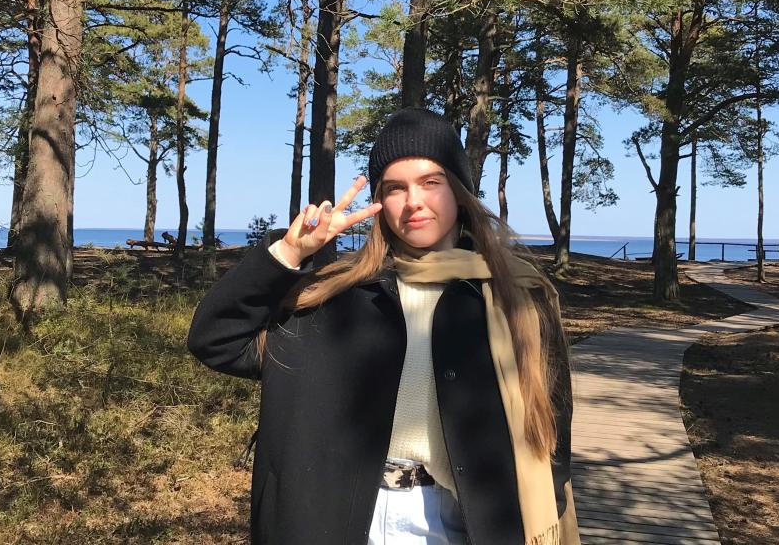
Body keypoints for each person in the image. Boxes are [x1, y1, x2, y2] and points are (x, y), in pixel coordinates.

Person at [187, 108, 579, 545]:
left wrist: (539, 509)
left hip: (467, 521)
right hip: (344, 518)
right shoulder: (338, 296)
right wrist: (288, 254)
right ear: (379, 203)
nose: (413, 201)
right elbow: (216, 339)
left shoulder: (518, 296)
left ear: (460, 190)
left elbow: (554, 431)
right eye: (395, 188)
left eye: (431, 182)